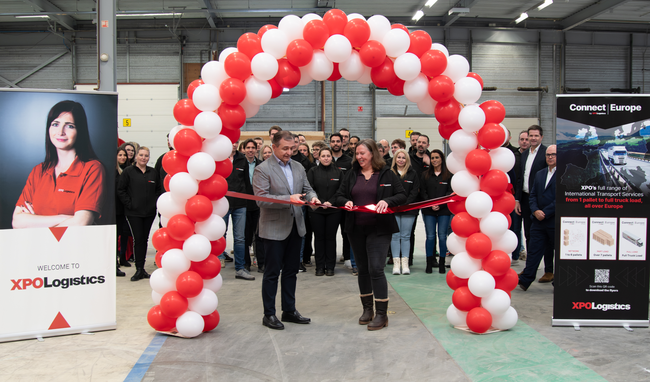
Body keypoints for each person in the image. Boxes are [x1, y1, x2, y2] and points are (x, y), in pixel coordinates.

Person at [333, 139, 406, 331]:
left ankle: (382, 314)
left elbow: (402, 195)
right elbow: (339, 195)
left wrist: (387, 201)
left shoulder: (386, 174)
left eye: (362, 153)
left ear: (372, 153)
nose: (359, 157)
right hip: (356, 228)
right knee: (363, 269)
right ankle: (367, 310)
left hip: (379, 229)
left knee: (376, 268)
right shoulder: (351, 174)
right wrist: (346, 201)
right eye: (357, 154)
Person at [252, 130, 320, 330]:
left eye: (292, 148)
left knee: (291, 271)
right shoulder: (262, 169)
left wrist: (313, 198)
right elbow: (261, 199)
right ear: (274, 147)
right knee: (272, 273)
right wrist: (286, 200)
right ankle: (269, 314)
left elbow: (307, 189)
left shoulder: (298, 167)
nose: (289, 152)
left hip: (296, 227)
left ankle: (289, 310)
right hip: (274, 228)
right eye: (285, 148)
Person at [13, 100, 106, 229]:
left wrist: (34, 221)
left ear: (80, 131)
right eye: (55, 124)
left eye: (70, 126)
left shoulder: (93, 169)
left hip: (73, 247)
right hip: (38, 248)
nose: (61, 132)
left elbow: (81, 223)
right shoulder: (38, 171)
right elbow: (17, 222)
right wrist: (66, 218)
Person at [117, 146, 162, 281]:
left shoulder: (153, 172)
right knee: (138, 239)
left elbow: (158, 190)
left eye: (146, 156)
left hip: (149, 213)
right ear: (136, 156)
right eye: (141, 155)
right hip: (134, 213)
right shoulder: (128, 172)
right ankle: (138, 269)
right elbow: (121, 190)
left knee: (145, 239)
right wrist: (130, 204)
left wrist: (154, 204)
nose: (143, 158)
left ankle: (142, 269)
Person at [519, 145, 556, 291]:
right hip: (538, 221)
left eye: (553, 154)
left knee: (557, 253)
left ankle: (557, 282)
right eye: (548, 155)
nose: (550, 157)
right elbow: (532, 195)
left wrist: (545, 212)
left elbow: (560, 199)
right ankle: (526, 279)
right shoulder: (540, 174)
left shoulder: (564, 175)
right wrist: (535, 211)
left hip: (553, 220)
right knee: (533, 251)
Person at [515, 125, 549, 280]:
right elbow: (520, 178)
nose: (533, 138)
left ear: (541, 137)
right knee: (529, 235)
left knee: (546, 236)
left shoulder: (546, 154)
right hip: (526, 198)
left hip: (542, 201)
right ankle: (529, 268)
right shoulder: (524, 154)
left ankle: (549, 269)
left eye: (536, 136)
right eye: (531, 136)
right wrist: (517, 199)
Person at [307, 147, 342, 276]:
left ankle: (331, 267)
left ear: (331, 157)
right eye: (323, 156)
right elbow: (310, 188)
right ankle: (320, 267)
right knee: (319, 238)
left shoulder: (338, 172)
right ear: (319, 157)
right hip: (317, 210)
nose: (326, 158)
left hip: (334, 210)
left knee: (331, 238)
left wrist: (331, 202)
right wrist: (321, 201)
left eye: (328, 156)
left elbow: (341, 190)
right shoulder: (313, 171)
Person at [224, 140, 255, 280]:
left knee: (240, 238)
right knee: (219, 234)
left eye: (236, 142)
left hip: (240, 205)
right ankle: (216, 263)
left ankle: (240, 268)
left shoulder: (242, 159)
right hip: (222, 204)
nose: (234, 145)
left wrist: (249, 202)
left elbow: (247, 183)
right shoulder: (219, 158)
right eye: (231, 142)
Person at [420, 149, 453, 274]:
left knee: (442, 236)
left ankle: (442, 263)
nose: (434, 160)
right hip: (429, 211)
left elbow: (450, 192)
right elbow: (422, 192)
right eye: (432, 158)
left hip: (444, 210)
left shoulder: (449, 175)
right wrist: (431, 204)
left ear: (442, 159)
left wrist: (441, 204)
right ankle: (429, 263)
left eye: (437, 158)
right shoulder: (425, 175)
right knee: (430, 236)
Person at [389, 149, 419, 275]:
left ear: (407, 160)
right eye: (398, 157)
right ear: (395, 159)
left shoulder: (413, 174)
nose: (401, 160)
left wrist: (405, 203)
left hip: (408, 210)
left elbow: (415, 191)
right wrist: (396, 203)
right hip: (394, 209)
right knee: (395, 236)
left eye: (403, 157)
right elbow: (388, 190)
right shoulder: (389, 173)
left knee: (406, 236)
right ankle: (396, 264)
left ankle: (405, 264)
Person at [239, 139, 264, 273]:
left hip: (258, 205)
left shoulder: (261, 165)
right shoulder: (239, 164)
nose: (250, 150)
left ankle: (262, 263)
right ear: (243, 149)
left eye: (253, 148)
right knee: (245, 236)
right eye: (247, 147)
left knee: (260, 235)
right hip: (243, 205)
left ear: (256, 149)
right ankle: (246, 263)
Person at [115, 148, 129, 277]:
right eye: (120, 155)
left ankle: (121, 259)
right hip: (115, 209)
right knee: (114, 238)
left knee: (122, 234)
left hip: (123, 210)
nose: (123, 157)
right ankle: (114, 264)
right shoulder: (114, 172)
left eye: (124, 155)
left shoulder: (127, 170)